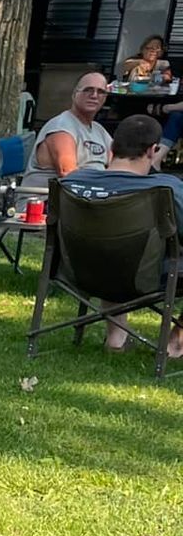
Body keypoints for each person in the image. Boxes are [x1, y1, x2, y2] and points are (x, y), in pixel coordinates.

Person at [58, 113, 183, 359]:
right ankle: (176, 343)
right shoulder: (165, 187)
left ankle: (116, 339)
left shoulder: (72, 181)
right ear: (152, 150)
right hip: (142, 277)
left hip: (79, 272)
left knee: (111, 249)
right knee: (127, 253)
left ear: (112, 148)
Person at [25, 73, 110, 187]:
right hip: (48, 199)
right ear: (74, 94)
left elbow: (120, 162)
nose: (94, 95)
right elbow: (69, 174)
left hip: (90, 195)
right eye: (88, 90)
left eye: (100, 92)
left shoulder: (99, 130)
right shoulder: (61, 127)